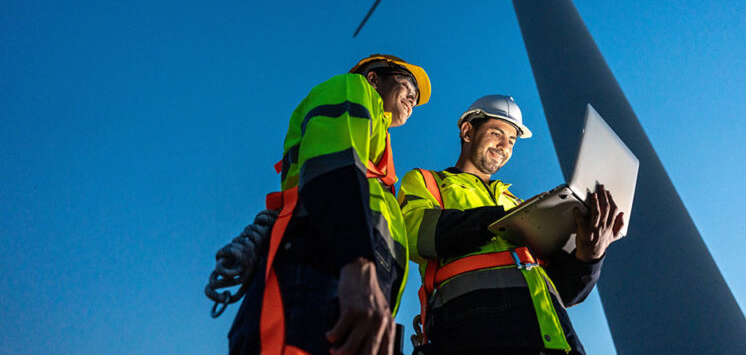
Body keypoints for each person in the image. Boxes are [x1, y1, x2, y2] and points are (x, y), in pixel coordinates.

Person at [228, 54, 431, 355]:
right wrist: (358, 262)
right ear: (374, 79)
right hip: (319, 281)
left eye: (416, 96)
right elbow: (333, 166)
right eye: (406, 85)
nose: (413, 98)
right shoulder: (352, 87)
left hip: (346, 292)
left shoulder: (379, 151)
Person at [399, 95, 625, 355]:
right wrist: (497, 222)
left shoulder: (516, 202)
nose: (504, 146)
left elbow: (565, 292)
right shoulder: (428, 181)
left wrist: (589, 257)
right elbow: (413, 233)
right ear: (467, 131)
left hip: (556, 341)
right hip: (475, 331)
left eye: (511, 140)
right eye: (496, 133)